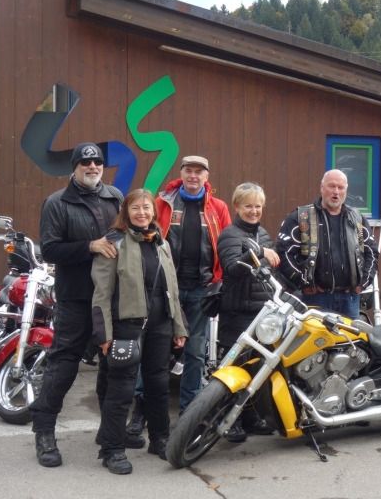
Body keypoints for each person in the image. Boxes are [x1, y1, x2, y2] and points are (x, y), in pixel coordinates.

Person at [30, 143, 124, 468]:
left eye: (97, 161)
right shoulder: (57, 203)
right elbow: (50, 250)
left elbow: (125, 237)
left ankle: (110, 434)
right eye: (85, 162)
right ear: (74, 167)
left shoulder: (115, 197)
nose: (92, 166)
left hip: (111, 298)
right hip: (76, 297)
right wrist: (90, 246)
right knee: (64, 364)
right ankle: (43, 432)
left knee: (113, 365)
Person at [91, 189, 187, 474]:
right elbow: (101, 294)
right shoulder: (114, 242)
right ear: (126, 212)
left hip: (160, 326)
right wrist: (104, 334)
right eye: (136, 208)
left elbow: (173, 290)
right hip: (126, 327)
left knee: (158, 386)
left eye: (146, 208)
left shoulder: (161, 243)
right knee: (121, 389)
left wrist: (178, 326)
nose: (142, 213)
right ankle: (112, 449)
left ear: (153, 212)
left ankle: (160, 439)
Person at [155, 155, 231, 413]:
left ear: (206, 177)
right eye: (189, 170)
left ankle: (189, 410)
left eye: (199, 172)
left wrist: (220, 280)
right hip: (167, 288)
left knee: (195, 352)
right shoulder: (163, 202)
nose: (193, 176)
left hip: (201, 288)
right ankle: (147, 406)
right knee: (158, 348)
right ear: (181, 173)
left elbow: (227, 244)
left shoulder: (218, 207)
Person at [216, 183, 279, 441]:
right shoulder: (230, 235)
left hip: (260, 314)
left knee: (255, 369)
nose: (254, 211)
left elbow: (270, 272)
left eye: (257, 206)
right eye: (248, 206)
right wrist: (259, 252)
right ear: (237, 207)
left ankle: (251, 418)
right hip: (237, 314)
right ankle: (229, 421)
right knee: (235, 369)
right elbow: (232, 268)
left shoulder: (262, 233)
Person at [277, 169, 378, 318]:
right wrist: (303, 282)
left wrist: (363, 282)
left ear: (346, 191)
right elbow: (283, 253)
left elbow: (371, 252)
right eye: (332, 186)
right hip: (314, 299)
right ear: (322, 188)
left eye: (340, 187)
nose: (336, 191)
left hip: (350, 299)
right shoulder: (301, 217)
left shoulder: (357, 219)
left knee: (349, 334)